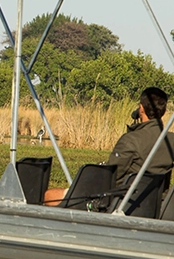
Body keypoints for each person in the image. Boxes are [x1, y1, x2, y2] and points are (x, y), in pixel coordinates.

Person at [44, 87, 174, 205]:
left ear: (141, 108)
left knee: (50, 195)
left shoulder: (131, 140)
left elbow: (110, 178)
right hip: (154, 204)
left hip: (121, 202)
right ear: (164, 111)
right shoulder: (171, 140)